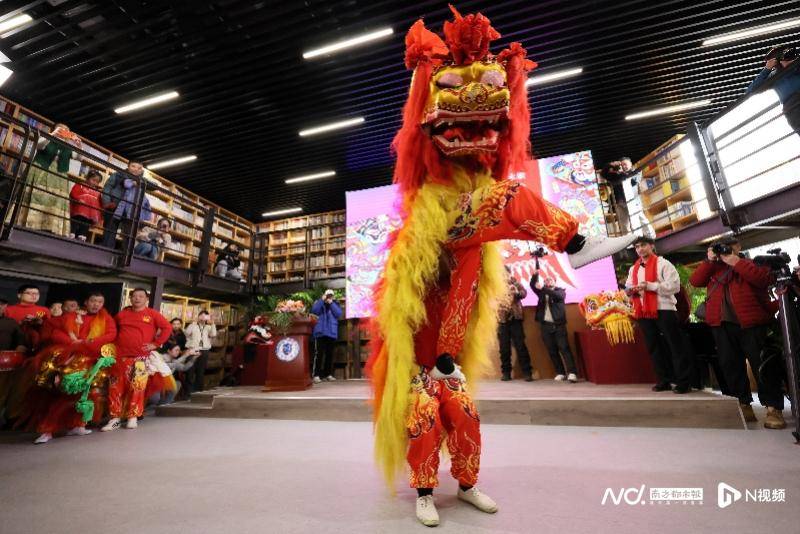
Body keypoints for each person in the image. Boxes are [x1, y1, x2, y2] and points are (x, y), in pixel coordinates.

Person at [366, 9, 636, 527]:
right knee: (422, 418)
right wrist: (427, 75)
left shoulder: (478, 209)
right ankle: (424, 490)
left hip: (449, 347)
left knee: (465, 417)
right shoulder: (442, 197)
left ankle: (466, 484)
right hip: (429, 306)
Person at [689, 237, 786, 429]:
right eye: (719, 248)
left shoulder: (752, 264)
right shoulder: (713, 269)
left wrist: (734, 261)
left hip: (752, 323)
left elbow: (763, 279)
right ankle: (743, 405)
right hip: (721, 324)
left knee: (763, 366)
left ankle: (773, 408)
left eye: (728, 247)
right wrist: (709, 260)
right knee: (730, 366)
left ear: (738, 247)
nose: (723, 251)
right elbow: (695, 281)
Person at [28, 292, 117, 444]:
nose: (96, 304)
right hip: (70, 358)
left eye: (100, 302)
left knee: (86, 394)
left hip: (92, 359)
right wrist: (73, 343)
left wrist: (89, 343)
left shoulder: (106, 318)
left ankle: (78, 425)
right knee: (63, 393)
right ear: (86, 302)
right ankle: (48, 430)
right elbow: (56, 332)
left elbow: (111, 335)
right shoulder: (73, 316)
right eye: (93, 301)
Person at [625, 236, 693, 394]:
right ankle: (664, 380)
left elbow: (675, 287)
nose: (640, 249)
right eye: (637, 247)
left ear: (651, 246)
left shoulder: (664, 264)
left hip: (665, 309)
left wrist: (650, 286)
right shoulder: (634, 268)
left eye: (643, 245)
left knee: (674, 346)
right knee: (653, 347)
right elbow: (629, 286)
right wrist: (629, 290)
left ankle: (684, 382)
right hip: (642, 310)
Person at [102, 287, 170, 431]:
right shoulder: (122, 314)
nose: (137, 298)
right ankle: (114, 418)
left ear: (146, 299)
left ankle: (132, 417)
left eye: (141, 296)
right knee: (115, 388)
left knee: (137, 387)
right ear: (130, 298)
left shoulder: (152, 314)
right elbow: (111, 330)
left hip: (141, 358)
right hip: (119, 358)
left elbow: (167, 328)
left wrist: (155, 344)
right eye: (134, 296)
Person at [24, 123, 82, 235]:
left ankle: (50, 227)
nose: (64, 132)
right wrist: (53, 134)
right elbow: (38, 145)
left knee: (55, 200)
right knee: (38, 196)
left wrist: (79, 145)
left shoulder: (68, 147)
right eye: (61, 129)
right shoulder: (48, 138)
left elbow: (79, 158)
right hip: (41, 170)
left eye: (66, 131)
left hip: (58, 175)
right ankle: (31, 224)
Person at [531, 270, 578, 383]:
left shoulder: (560, 291)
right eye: (546, 280)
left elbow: (556, 296)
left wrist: (543, 288)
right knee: (552, 350)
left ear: (555, 282)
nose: (548, 280)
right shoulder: (541, 292)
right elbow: (533, 285)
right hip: (545, 326)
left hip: (558, 325)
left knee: (564, 348)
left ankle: (572, 373)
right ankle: (560, 372)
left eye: (550, 279)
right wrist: (535, 275)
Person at [747, 45, 799, 131]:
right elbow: (750, 91)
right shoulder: (773, 76)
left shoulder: (796, 64)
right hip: (792, 107)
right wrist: (767, 69)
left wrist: (794, 63)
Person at [101, 161, 151, 249]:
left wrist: (140, 183)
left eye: (139, 168)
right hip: (114, 206)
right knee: (110, 231)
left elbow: (154, 186)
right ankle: (105, 252)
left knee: (129, 235)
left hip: (131, 210)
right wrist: (107, 202)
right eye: (133, 166)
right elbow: (107, 188)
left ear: (141, 170)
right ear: (128, 166)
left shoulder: (142, 181)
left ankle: (124, 257)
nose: (136, 169)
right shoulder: (118, 175)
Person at [497, 268, 533, 382]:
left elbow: (524, 293)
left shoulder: (516, 283)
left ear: (509, 273)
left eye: (505, 273)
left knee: (520, 346)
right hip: (502, 320)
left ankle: (527, 372)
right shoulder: (496, 286)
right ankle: (506, 372)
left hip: (515, 319)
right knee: (504, 348)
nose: (503, 276)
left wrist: (516, 292)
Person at [0, 299, 27, 425]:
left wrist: (20, 347)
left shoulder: (11, 323)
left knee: (3, 392)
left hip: (4, 364)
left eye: (1, 304)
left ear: (5, 306)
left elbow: (21, 341)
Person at [5, 284, 51, 351]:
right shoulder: (8, 310)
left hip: (35, 345)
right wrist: (21, 323)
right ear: (19, 295)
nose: (34, 296)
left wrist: (40, 323)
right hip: (12, 344)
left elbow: (49, 329)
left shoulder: (44, 310)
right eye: (29, 293)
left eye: (37, 294)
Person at [311, 289, 342, 383]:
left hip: (331, 332)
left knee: (330, 354)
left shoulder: (335, 304)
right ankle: (316, 375)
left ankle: (328, 374)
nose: (329, 297)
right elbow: (314, 311)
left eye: (331, 295)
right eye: (327, 295)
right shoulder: (318, 302)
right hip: (320, 332)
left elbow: (338, 314)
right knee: (318, 354)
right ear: (324, 295)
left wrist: (331, 303)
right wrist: (322, 300)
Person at [184, 310, 217, 393]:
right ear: (198, 316)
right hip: (192, 349)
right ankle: (188, 392)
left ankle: (198, 392)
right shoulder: (193, 325)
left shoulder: (208, 327)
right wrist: (194, 323)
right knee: (190, 371)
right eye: (201, 315)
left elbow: (213, 334)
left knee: (200, 371)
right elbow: (187, 333)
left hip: (204, 350)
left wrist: (212, 323)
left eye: (205, 316)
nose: (203, 317)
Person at [68, 170, 103, 241]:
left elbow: (99, 202)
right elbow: (73, 193)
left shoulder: (97, 191)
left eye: (97, 182)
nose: (95, 183)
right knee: (75, 221)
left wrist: (98, 212)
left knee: (86, 223)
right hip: (79, 209)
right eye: (93, 180)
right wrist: (78, 199)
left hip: (90, 213)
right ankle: (72, 233)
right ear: (88, 178)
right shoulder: (80, 185)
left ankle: (82, 235)